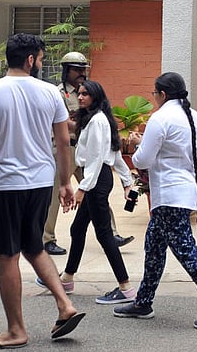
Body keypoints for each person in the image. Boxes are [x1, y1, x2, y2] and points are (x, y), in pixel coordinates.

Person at [0, 33, 85, 349]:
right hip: (41, 183)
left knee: (7, 253)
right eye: (41, 58)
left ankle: (16, 330)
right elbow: (65, 142)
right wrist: (65, 181)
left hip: (7, 184)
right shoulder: (49, 93)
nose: (41, 63)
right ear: (31, 59)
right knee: (33, 246)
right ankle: (64, 305)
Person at [113, 72, 197, 330]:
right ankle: (143, 301)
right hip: (184, 191)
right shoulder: (194, 117)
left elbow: (143, 160)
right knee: (154, 245)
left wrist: (137, 144)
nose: (153, 98)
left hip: (169, 194)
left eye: (154, 94)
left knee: (186, 250)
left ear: (163, 94)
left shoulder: (161, 118)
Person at [43, 51, 133, 255]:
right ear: (66, 71)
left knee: (96, 190)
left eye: (83, 69)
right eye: (76, 69)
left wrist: (82, 125)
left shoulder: (88, 91)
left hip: (87, 148)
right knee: (55, 193)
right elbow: (61, 122)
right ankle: (47, 239)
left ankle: (111, 233)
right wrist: (83, 126)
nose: (81, 73)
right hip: (65, 148)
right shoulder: (58, 93)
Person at [56, 80, 137, 305]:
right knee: (77, 228)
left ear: (96, 96)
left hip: (96, 180)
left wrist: (82, 188)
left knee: (104, 234)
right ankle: (67, 278)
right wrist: (127, 181)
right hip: (96, 178)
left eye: (85, 94)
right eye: (79, 94)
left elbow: (97, 158)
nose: (80, 97)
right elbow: (115, 152)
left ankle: (126, 288)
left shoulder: (98, 121)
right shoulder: (95, 119)